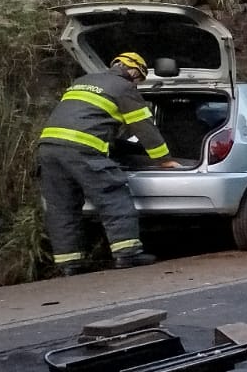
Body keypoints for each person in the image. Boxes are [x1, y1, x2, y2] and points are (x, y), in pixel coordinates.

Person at [38, 50, 175, 274]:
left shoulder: (82, 82)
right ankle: (127, 254)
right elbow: (144, 128)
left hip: (49, 148)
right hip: (82, 149)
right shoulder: (124, 87)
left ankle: (68, 264)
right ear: (132, 70)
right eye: (139, 79)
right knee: (113, 197)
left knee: (61, 207)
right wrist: (164, 160)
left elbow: (86, 116)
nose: (137, 85)